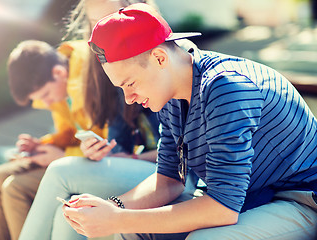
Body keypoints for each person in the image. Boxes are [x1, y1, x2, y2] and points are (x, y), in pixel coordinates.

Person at [61, 3, 317, 240]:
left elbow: (221, 210)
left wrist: (118, 220)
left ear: (160, 58)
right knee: (133, 230)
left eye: (130, 84)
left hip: (299, 197)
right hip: (252, 195)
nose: (128, 99)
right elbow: (169, 181)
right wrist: (113, 208)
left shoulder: (225, 88)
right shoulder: (171, 93)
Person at [0, 37, 158, 240]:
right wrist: (42, 145)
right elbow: (70, 134)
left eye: (46, 94)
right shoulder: (59, 88)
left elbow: (106, 143)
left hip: (95, 161)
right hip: (76, 157)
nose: (45, 103)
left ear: (58, 73)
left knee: (14, 188)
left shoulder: (92, 78)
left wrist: (61, 155)